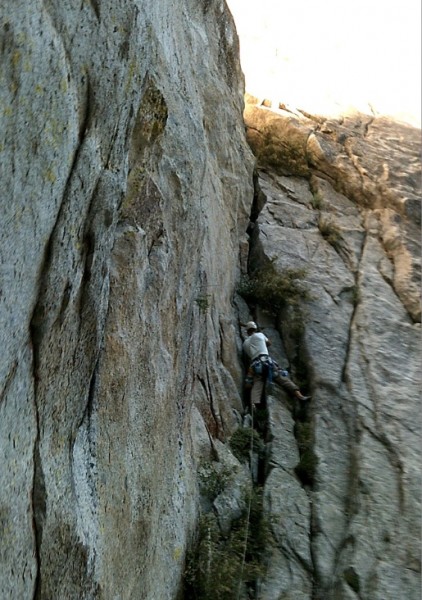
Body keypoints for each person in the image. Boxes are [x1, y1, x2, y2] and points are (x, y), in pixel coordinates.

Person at [242, 321, 311, 408]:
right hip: (267, 362)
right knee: (283, 379)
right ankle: (300, 396)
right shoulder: (260, 335)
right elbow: (269, 343)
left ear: (247, 331)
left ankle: (253, 405)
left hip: (256, 366)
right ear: (255, 329)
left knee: (257, 384)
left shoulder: (245, 344)